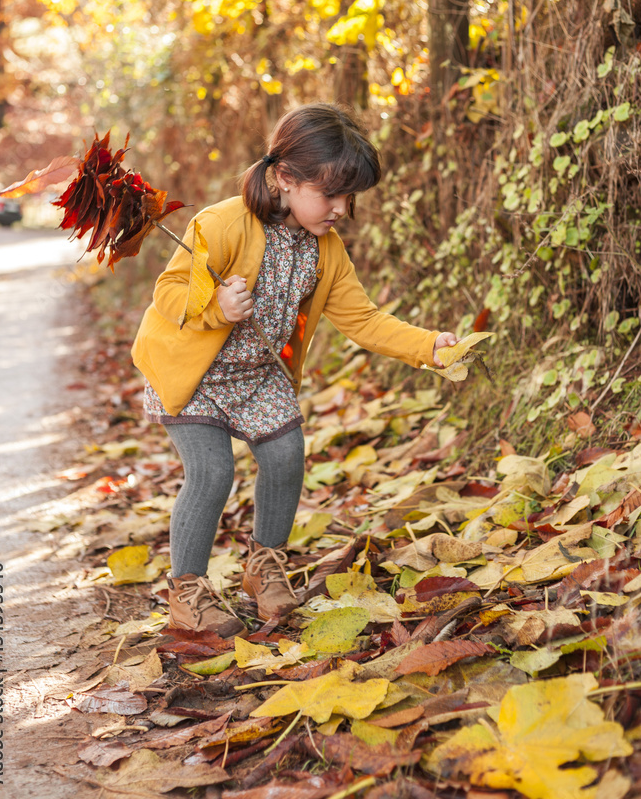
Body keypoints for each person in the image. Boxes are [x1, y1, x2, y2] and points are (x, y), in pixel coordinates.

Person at [131, 103, 457, 636]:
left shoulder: (325, 249)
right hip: (196, 375)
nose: (341, 209)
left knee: (286, 454)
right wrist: (217, 306)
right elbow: (167, 291)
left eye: (349, 197)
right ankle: (187, 590)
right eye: (331, 194)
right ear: (285, 177)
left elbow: (364, 319)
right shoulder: (221, 223)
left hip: (257, 374)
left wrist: (430, 347)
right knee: (212, 473)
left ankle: (265, 567)